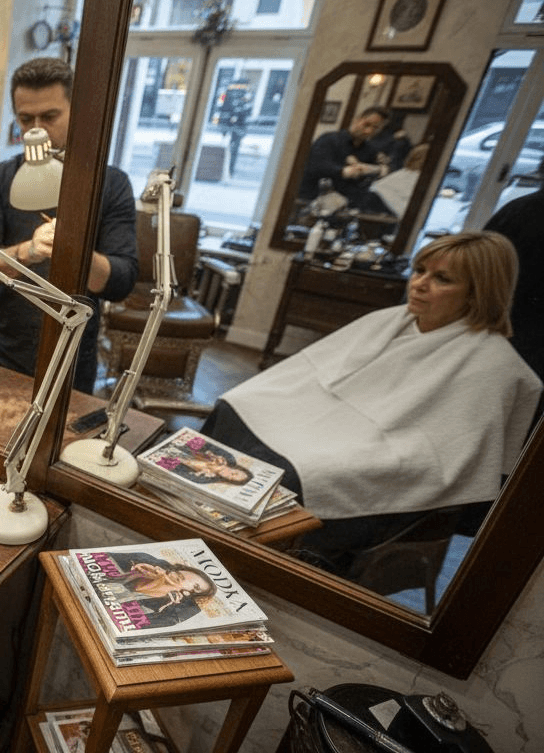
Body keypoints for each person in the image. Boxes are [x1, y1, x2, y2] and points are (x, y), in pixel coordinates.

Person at [200, 231, 541, 577]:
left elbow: (446, 456)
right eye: (420, 270)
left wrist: (346, 448)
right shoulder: (391, 321)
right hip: (340, 433)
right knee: (234, 407)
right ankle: (201, 526)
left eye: (442, 279)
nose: (419, 284)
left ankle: (249, 568)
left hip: (394, 487)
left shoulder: (494, 364)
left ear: (479, 291)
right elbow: (314, 377)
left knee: (298, 472)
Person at [0, 57, 138, 393]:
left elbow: (122, 279)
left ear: (75, 112)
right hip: (6, 352)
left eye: (50, 116)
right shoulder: (2, 178)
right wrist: (28, 251)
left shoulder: (110, 183)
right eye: (25, 118)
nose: (36, 130)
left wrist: (74, 249)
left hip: (74, 356)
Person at [484, 155, 544, 381]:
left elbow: (479, 270)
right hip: (515, 327)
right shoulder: (521, 211)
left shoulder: (517, 210)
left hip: (500, 325)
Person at [89, 551, 218, 629]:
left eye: (195, 587)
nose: (188, 579)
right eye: (191, 574)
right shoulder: (143, 563)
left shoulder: (160, 613)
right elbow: (92, 561)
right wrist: (132, 572)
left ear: (185, 595)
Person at [298, 106, 390, 204]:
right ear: (357, 119)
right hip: (312, 201)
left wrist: (377, 170)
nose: (369, 131)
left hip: (346, 205)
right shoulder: (328, 140)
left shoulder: (371, 150)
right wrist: (343, 171)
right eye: (366, 124)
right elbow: (315, 166)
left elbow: (374, 176)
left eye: (375, 128)